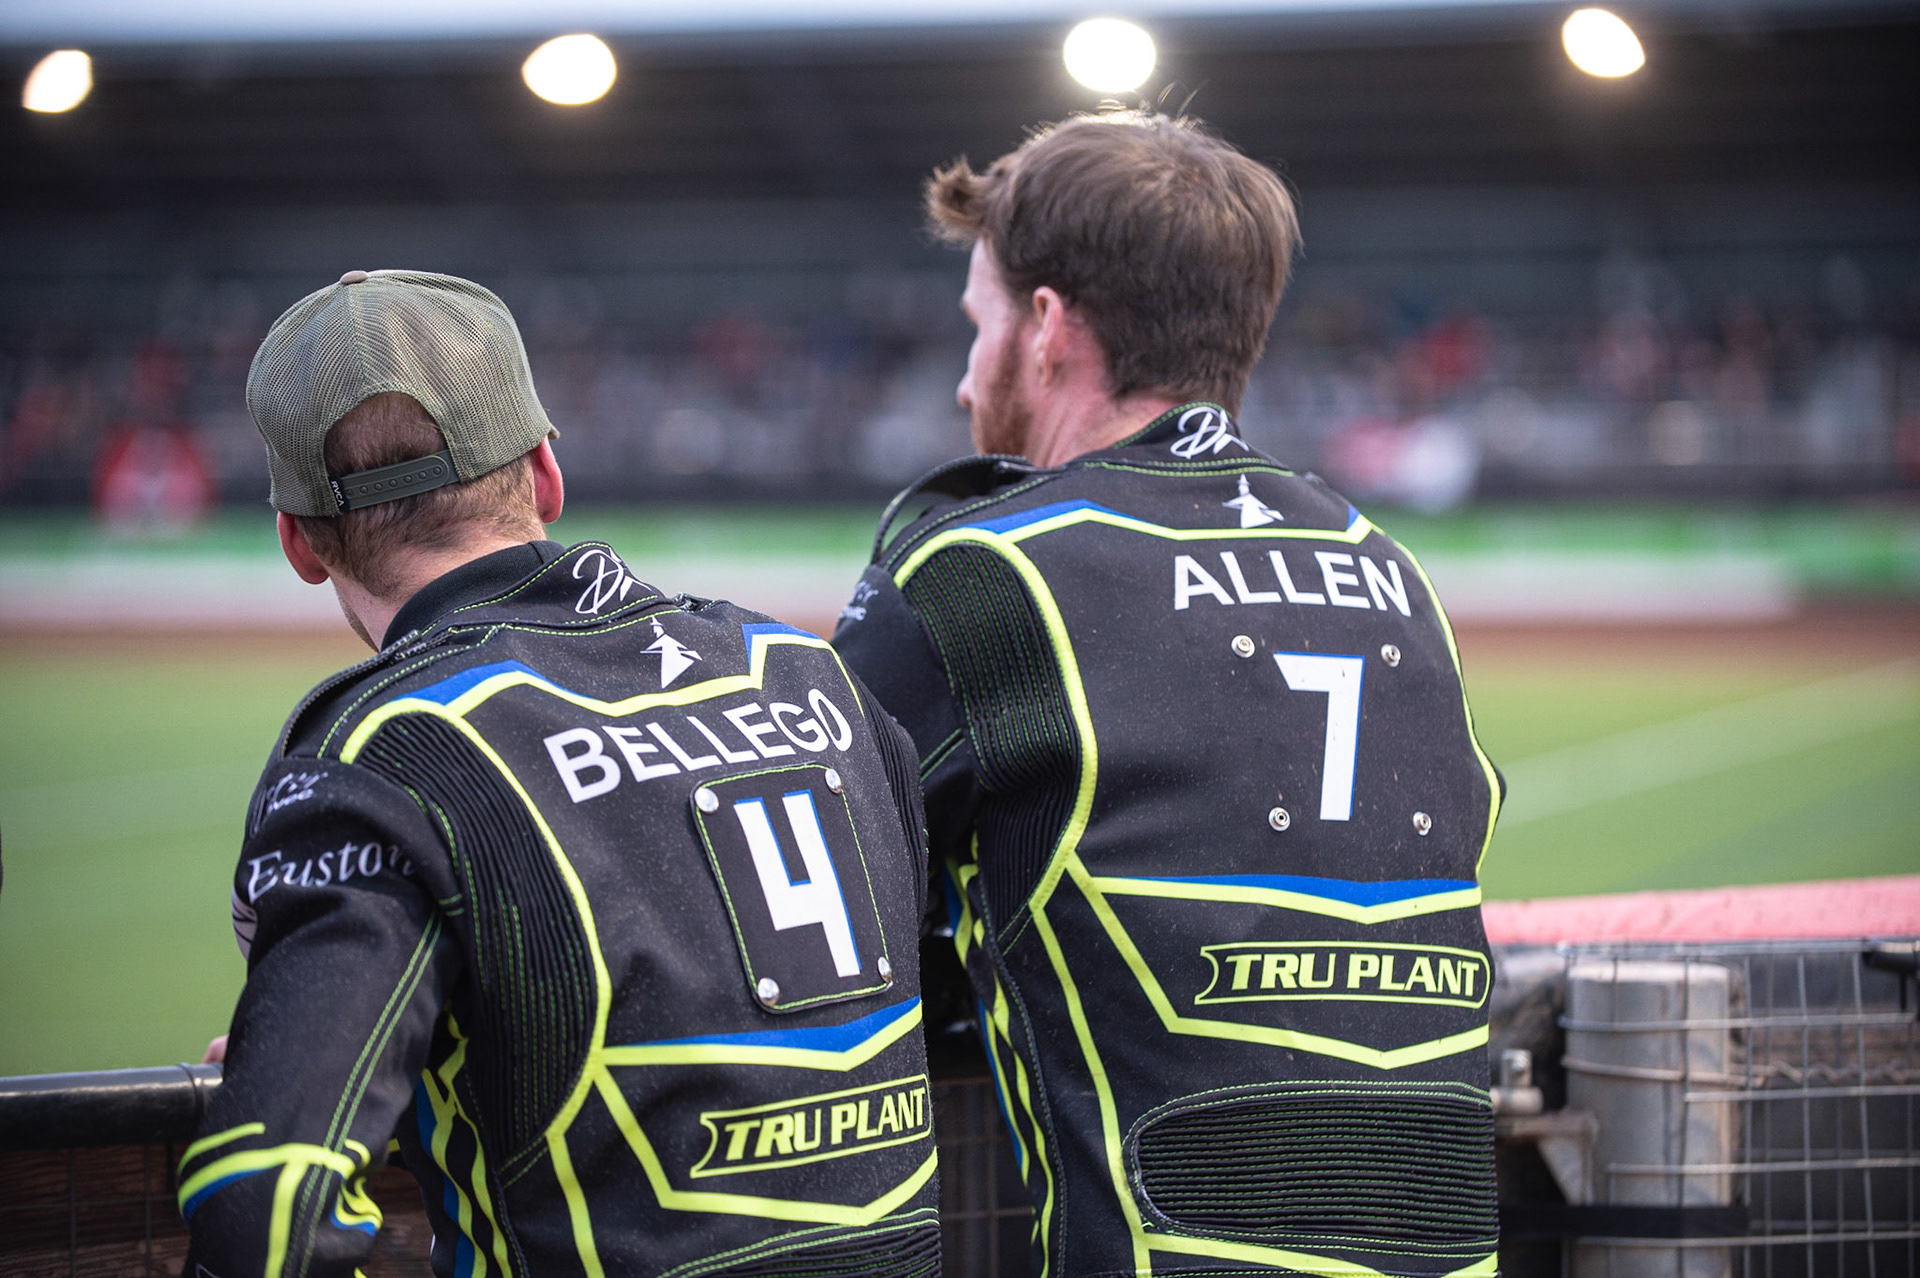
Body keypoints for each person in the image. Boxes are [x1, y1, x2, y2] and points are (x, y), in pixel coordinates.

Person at [833, 113, 1503, 1278]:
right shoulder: (1388, 569)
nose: (964, 380)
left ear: (1048, 329)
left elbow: (798, 909)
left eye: (980, 325)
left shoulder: (982, 573)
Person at [182, 269, 941, 1277]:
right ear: (545, 471)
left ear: (300, 543)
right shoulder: (815, 675)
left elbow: (269, 1204)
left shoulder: (384, 752)